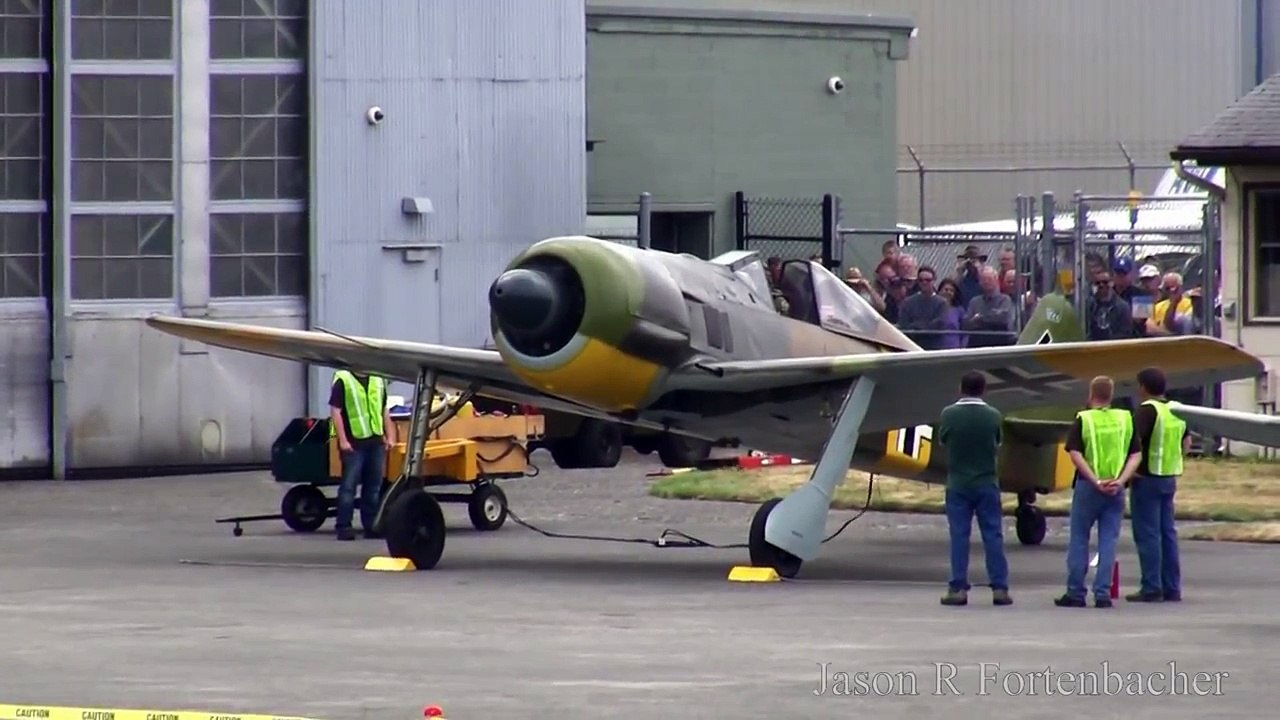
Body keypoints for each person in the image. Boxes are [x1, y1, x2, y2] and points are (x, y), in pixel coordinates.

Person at [1055, 376, 1141, 608]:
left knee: (1079, 539)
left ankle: (1075, 591)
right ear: (1111, 395)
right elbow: (1136, 454)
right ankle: (1102, 593)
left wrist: (1094, 480)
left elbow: (1074, 453)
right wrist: (1121, 481)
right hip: (1116, 488)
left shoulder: (1084, 419)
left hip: (1088, 486)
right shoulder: (1125, 419)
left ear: (1091, 393)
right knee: (1108, 541)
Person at [937, 371, 1011, 607]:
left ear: (961, 388)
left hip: (958, 483)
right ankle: (999, 587)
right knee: (993, 535)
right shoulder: (993, 416)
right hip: (987, 482)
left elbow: (943, 440)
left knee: (959, 536)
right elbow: (998, 442)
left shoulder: (949, 414)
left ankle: (958, 587)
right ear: (983, 390)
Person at [1126, 367, 1188, 603]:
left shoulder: (1146, 411)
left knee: (1148, 534)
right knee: (1168, 533)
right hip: (1168, 476)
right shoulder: (1175, 410)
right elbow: (1187, 441)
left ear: (1143, 387)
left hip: (1147, 477)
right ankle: (1172, 587)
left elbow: (1133, 443)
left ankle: (1151, 586)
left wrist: (1128, 472)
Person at [329, 368, 396, 541]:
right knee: (349, 487)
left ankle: (371, 525)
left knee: (373, 487)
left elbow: (384, 411)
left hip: (375, 442)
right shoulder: (344, 380)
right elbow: (335, 412)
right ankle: (344, 526)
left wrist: (390, 436)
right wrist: (342, 440)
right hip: (354, 444)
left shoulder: (378, 380)